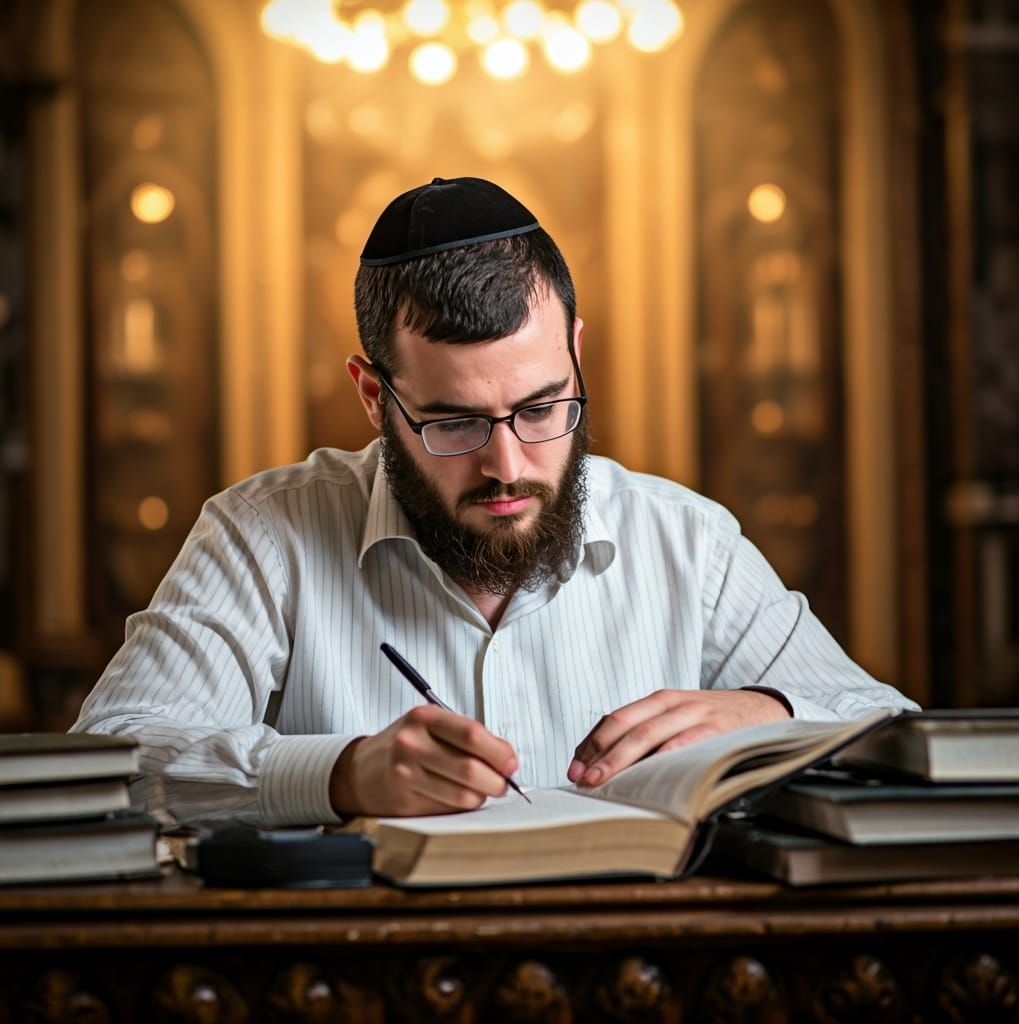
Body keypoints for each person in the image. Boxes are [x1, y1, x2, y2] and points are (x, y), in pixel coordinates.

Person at [72, 176, 918, 825]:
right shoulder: (262, 534)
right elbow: (110, 760)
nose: (508, 465)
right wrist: (339, 774)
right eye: (452, 422)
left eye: (543, 408)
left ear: (577, 354)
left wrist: (765, 711)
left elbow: (894, 731)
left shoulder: (688, 540)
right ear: (373, 396)